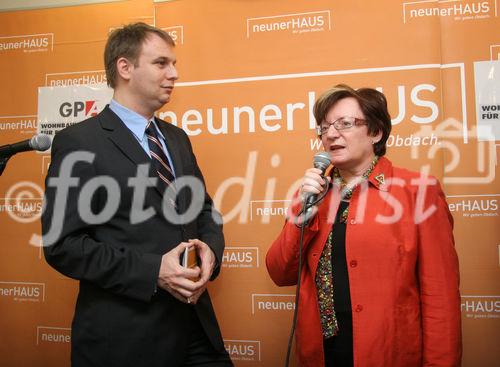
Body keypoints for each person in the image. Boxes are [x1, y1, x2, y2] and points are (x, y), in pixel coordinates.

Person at [42, 23, 232, 367]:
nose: (174, 74)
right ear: (125, 67)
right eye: (161, 63)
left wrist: (210, 255)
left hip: (196, 328)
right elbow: (62, 246)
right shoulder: (80, 142)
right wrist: (152, 271)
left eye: (174, 63)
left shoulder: (176, 138)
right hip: (126, 340)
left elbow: (204, 211)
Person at [266, 84, 462, 367]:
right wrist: (302, 212)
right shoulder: (310, 193)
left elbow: (440, 297)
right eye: (324, 126)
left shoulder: (418, 190)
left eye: (345, 123)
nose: (331, 133)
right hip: (320, 355)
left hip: (387, 354)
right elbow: (279, 271)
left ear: (376, 132)